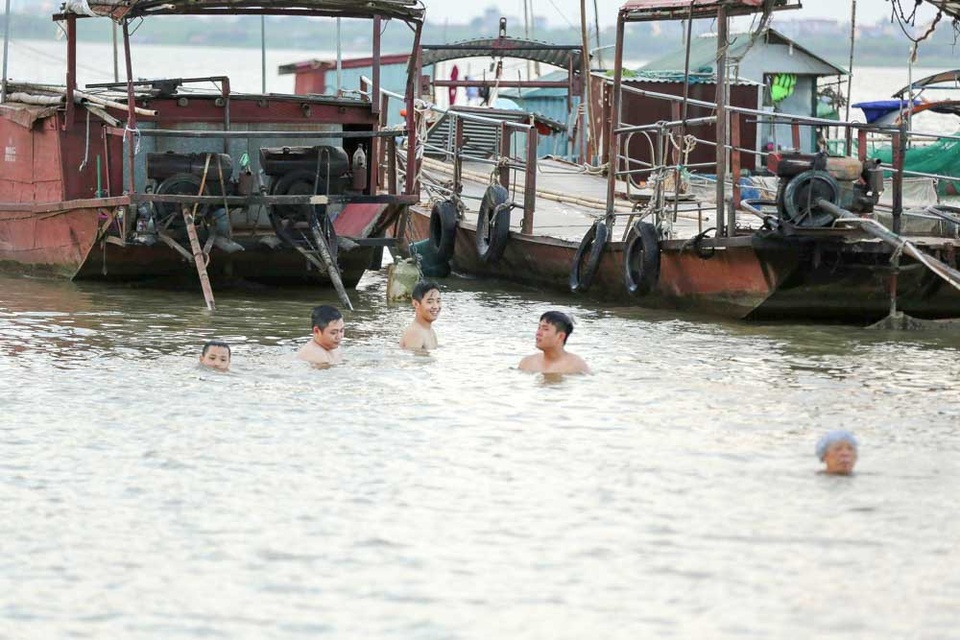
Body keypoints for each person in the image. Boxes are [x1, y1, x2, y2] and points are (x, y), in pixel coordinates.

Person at [518, 311, 590, 375]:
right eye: (539, 328)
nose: (538, 333)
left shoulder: (575, 367)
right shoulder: (527, 363)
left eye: (545, 329)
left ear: (560, 336)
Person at [400, 280, 441, 351]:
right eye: (430, 302)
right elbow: (412, 361)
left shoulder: (429, 330)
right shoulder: (416, 333)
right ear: (416, 304)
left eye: (438, 301)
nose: (436, 306)